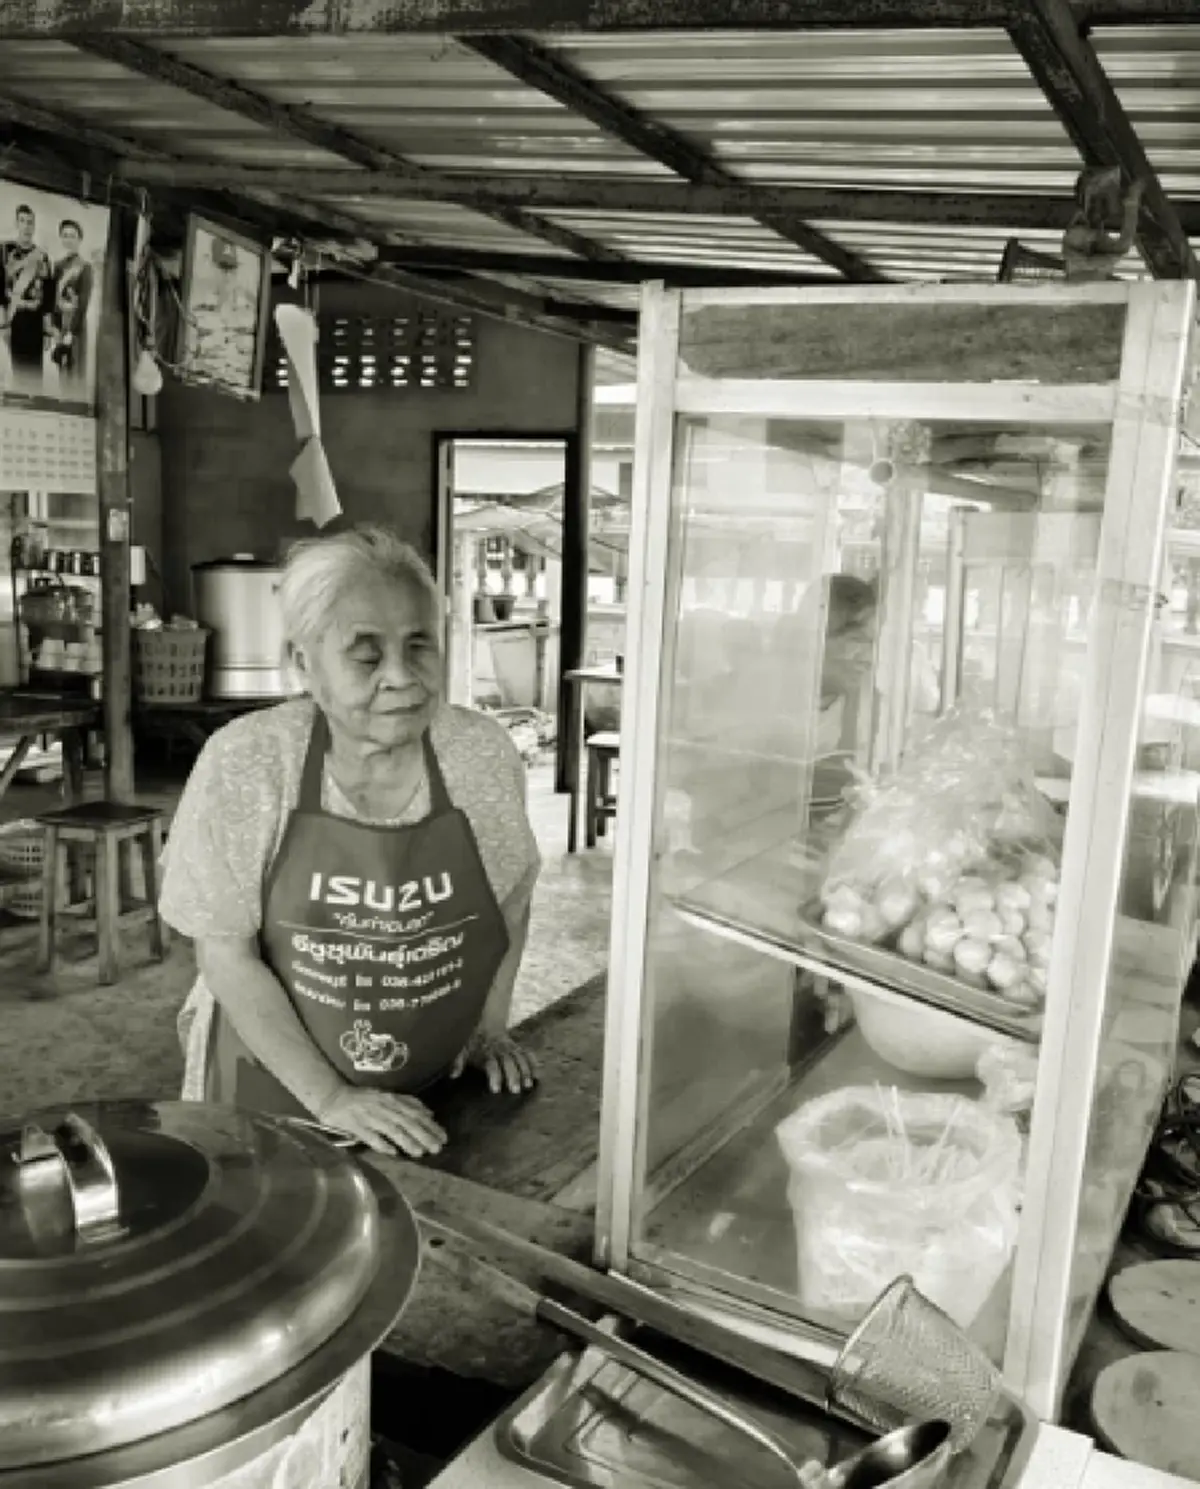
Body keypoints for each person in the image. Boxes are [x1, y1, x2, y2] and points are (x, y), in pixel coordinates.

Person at [161, 525, 541, 1158]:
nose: (400, 676)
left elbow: (510, 903)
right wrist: (332, 1098)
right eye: (365, 654)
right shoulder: (249, 761)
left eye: (420, 645)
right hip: (271, 1086)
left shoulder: (478, 755)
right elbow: (227, 955)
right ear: (304, 664)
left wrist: (487, 1028)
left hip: (425, 1090)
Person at [0, 203, 51, 386]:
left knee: (35, 377)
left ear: (34, 225)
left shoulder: (42, 256)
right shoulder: (4, 251)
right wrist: (3, 323)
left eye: (30, 222)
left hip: (35, 324)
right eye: (23, 221)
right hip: (13, 321)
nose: (27, 226)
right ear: (17, 224)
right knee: (13, 376)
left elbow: (48, 297)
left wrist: (47, 332)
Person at [47, 218, 93, 389]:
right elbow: (52, 298)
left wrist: (72, 332)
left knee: (75, 368)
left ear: (79, 239)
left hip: (76, 324)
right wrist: (54, 326)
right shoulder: (57, 265)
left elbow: (83, 303)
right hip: (60, 323)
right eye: (65, 235)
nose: (68, 240)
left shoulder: (85, 267)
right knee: (62, 367)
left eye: (72, 236)